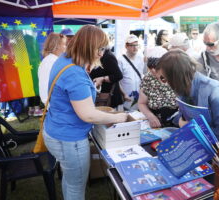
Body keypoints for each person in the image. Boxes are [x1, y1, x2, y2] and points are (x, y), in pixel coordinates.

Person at [42, 25, 128, 200]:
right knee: (76, 187)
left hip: (56, 131)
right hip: (69, 139)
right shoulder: (74, 73)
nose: (102, 54)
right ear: (89, 46)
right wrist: (117, 117)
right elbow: (88, 115)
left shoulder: (65, 58)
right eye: (100, 48)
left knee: (71, 180)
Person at [156, 49, 219, 141]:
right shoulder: (182, 86)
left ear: (176, 77)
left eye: (164, 78)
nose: (165, 83)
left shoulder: (214, 90)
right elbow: (182, 116)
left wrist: (190, 128)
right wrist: (180, 120)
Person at [138, 46, 178, 128]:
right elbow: (141, 103)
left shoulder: (176, 76)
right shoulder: (148, 78)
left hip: (175, 121)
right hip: (155, 123)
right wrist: (150, 116)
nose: (152, 70)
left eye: (156, 67)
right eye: (150, 67)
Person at [38, 32, 67, 104]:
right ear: (57, 46)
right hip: (56, 106)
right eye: (64, 44)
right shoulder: (49, 62)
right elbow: (45, 88)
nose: (66, 47)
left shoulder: (55, 60)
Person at [118, 34, 145, 111]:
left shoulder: (141, 57)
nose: (135, 47)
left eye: (136, 45)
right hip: (128, 96)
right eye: (132, 45)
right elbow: (118, 80)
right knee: (129, 116)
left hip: (140, 95)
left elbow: (142, 74)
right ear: (126, 46)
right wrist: (124, 94)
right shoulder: (121, 60)